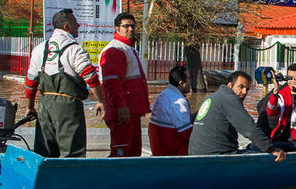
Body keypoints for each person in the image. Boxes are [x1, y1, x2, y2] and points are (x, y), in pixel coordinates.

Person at [25, 8, 104, 158]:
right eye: (75, 22)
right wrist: (100, 100)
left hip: (44, 106)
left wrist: (29, 107)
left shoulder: (39, 49)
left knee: (44, 154)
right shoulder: (74, 49)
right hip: (68, 107)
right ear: (66, 27)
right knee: (72, 155)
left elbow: (30, 83)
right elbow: (90, 76)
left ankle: (45, 181)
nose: (79, 25)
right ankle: (71, 181)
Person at [189, 70, 286, 162]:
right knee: (266, 156)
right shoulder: (230, 99)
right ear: (230, 85)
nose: (244, 92)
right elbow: (249, 129)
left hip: (195, 154)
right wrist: (271, 148)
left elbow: (193, 117)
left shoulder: (212, 97)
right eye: (241, 87)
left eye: (247, 89)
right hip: (216, 155)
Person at [98, 12, 151, 157]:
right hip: (122, 113)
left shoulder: (129, 49)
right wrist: (120, 106)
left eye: (133, 26)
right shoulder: (115, 50)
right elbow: (112, 83)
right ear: (117, 29)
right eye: (125, 26)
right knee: (120, 154)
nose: (130, 29)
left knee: (132, 154)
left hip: (131, 112)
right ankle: (111, 179)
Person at [148, 65, 193, 156]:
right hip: (172, 152)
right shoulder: (179, 102)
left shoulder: (164, 94)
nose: (191, 82)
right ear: (181, 83)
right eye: (189, 79)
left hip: (159, 149)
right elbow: (187, 133)